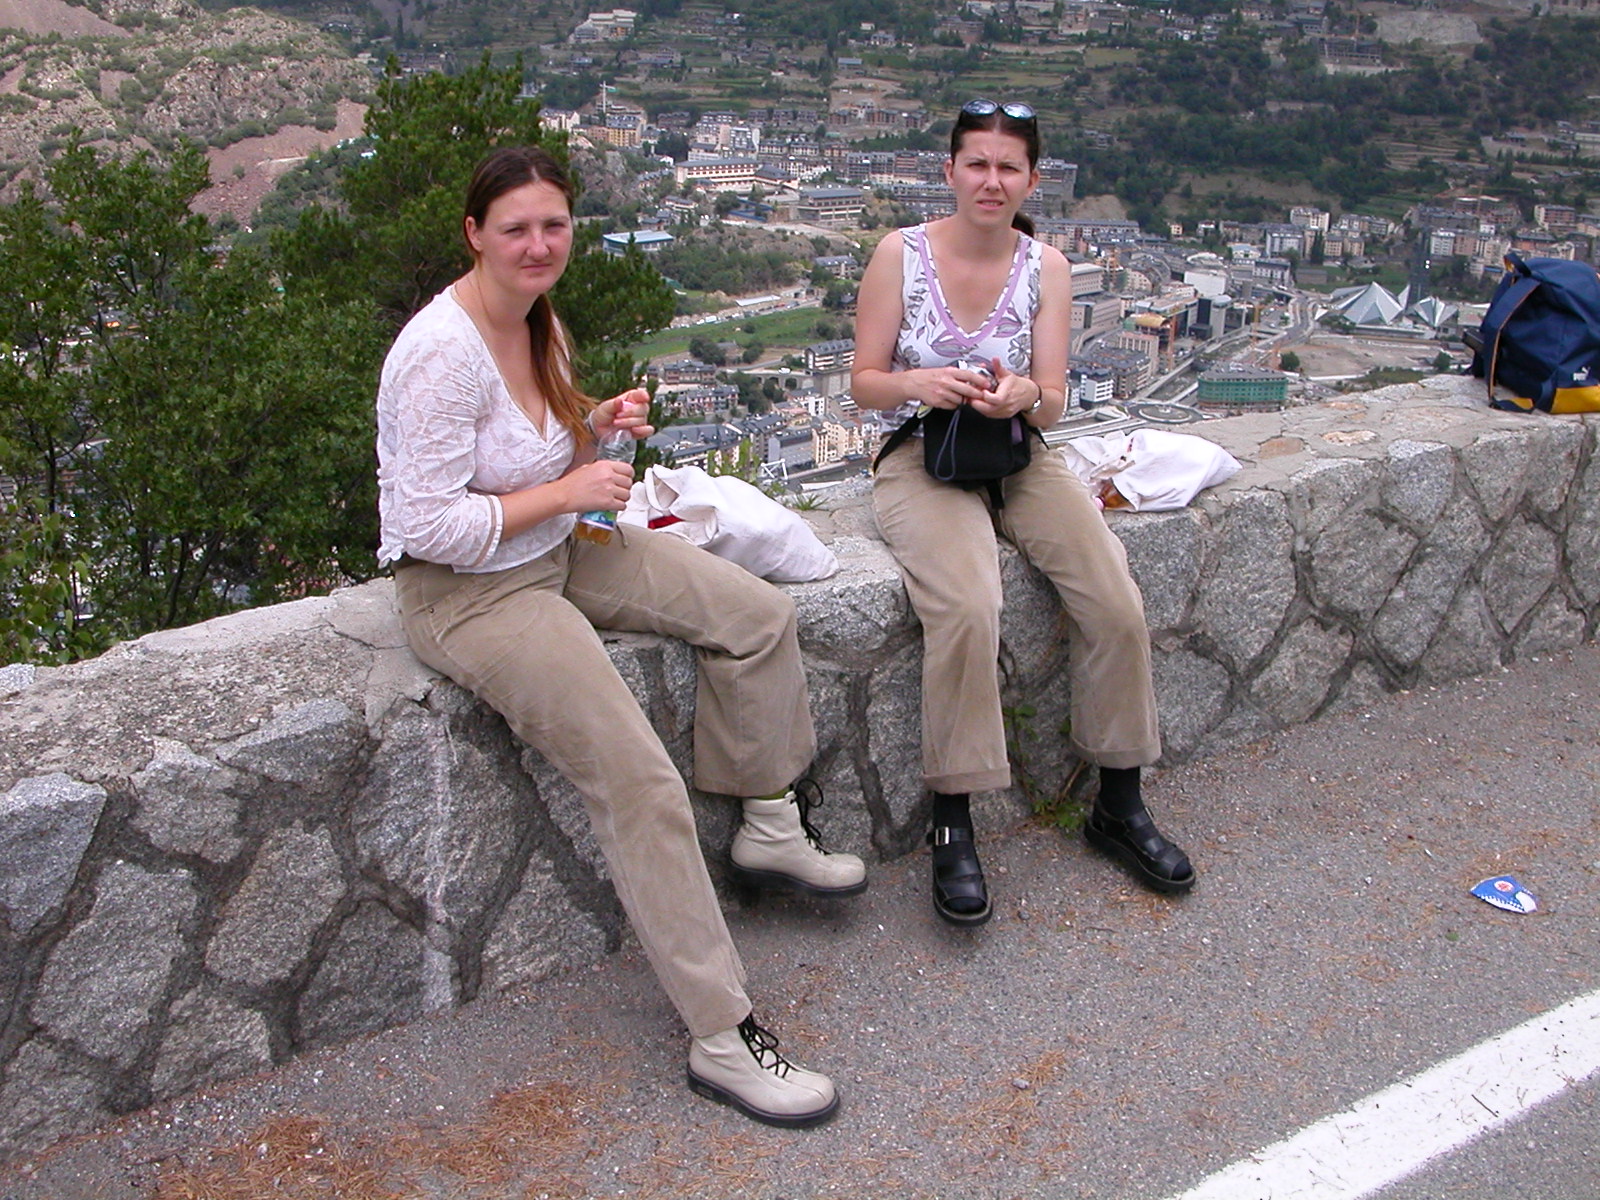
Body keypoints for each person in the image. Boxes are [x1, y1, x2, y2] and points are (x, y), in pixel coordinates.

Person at [376, 145, 865, 1127]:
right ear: (474, 234)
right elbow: (422, 525)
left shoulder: (533, 317)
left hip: (556, 546)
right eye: (514, 227)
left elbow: (531, 450)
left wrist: (592, 425)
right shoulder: (440, 351)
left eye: (552, 224)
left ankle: (768, 825)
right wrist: (566, 487)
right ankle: (723, 1037)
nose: (537, 243)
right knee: (639, 782)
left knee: (753, 615)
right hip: (469, 595)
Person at [850, 100, 1195, 927]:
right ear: (950, 172)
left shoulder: (1048, 265)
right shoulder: (899, 255)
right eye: (977, 163)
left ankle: (1119, 797)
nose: (991, 180)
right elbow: (864, 382)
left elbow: (1052, 402)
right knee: (968, 603)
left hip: (1013, 452)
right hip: (920, 451)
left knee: (1111, 590)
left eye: (1009, 167)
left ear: (1032, 179)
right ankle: (953, 818)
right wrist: (920, 384)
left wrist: (1020, 395)